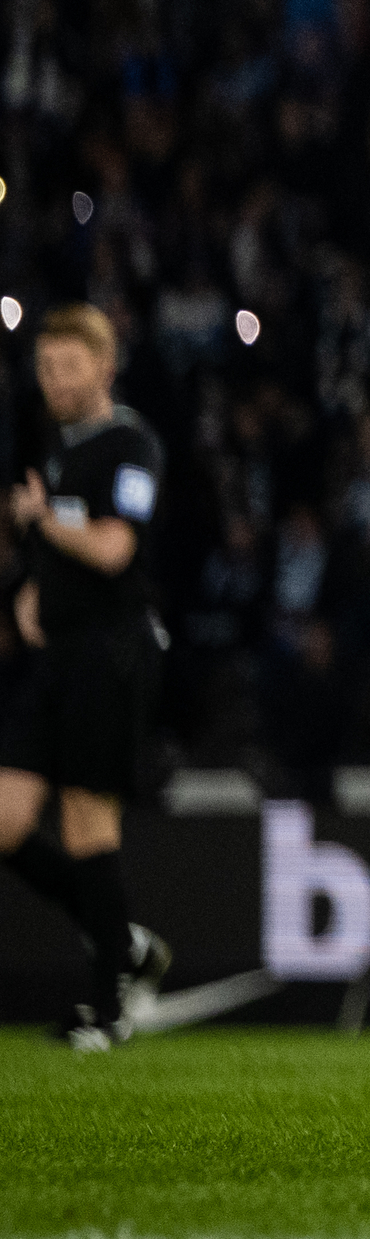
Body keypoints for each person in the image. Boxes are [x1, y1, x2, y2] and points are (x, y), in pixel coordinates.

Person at [0, 304, 173, 1049]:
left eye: (68, 366)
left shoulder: (130, 446)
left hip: (112, 652)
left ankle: (106, 1012)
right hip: (61, 655)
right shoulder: (60, 445)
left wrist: (39, 526)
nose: (55, 380)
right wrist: (34, 590)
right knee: (6, 820)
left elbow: (111, 550)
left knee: (85, 824)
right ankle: (123, 942)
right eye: (45, 368)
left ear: (104, 367)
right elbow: (64, 551)